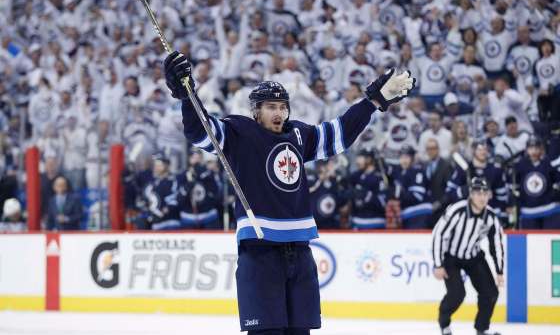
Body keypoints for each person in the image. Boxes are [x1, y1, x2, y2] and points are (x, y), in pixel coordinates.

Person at [164, 50, 415, 334]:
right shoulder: (240, 134)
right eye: (271, 106)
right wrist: (187, 95)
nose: (279, 113)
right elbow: (200, 131)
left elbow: (340, 134)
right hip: (260, 254)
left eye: (283, 107)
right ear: (256, 111)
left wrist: (372, 102)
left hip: (301, 251)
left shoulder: (298, 135)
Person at [432, 177, 504, 335]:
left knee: (490, 293)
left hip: (474, 256)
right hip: (451, 257)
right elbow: (438, 234)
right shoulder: (457, 210)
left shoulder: (491, 217)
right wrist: (438, 264)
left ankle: (481, 329)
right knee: (457, 294)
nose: (482, 197)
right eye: (478, 193)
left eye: (486, 193)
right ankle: (444, 323)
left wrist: (499, 271)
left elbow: (496, 244)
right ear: (471, 194)